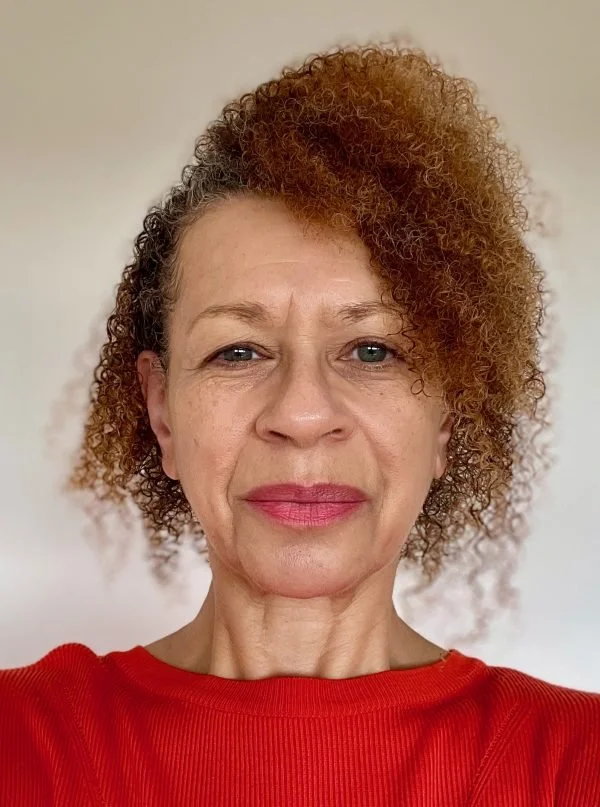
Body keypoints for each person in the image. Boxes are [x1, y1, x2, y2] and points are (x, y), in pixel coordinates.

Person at [1, 40, 598, 807]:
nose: (302, 414)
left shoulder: (576, 766)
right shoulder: (21, 744)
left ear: (447, 415)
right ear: (161, 410)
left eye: (372, 349)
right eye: (239, 350)